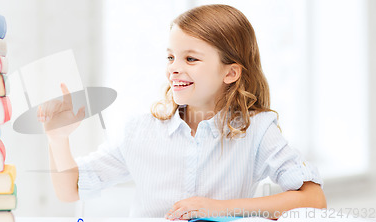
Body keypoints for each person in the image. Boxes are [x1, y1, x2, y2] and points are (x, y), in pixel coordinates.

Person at [37, 4, 326, 220]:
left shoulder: (257, 130)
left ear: (230, 73)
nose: (174, 67)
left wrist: (221, 209)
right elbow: (71, 190)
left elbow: (314, 199)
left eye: (191, 58)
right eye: (171, 57)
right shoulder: (141, 130)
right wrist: (58, 139)